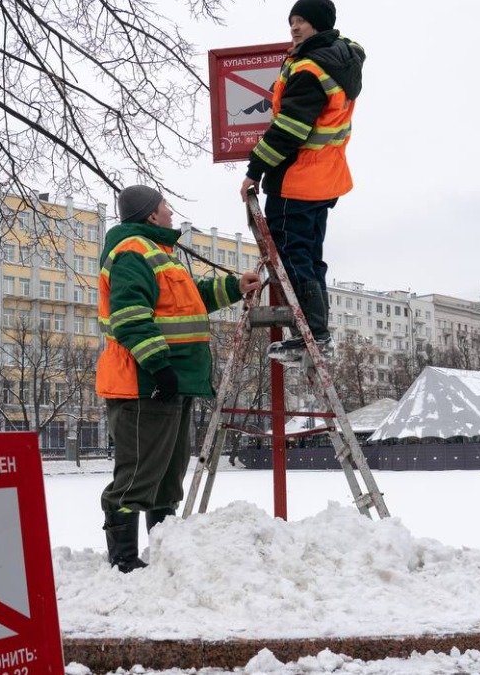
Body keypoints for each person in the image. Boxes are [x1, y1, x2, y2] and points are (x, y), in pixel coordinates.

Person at [96, 185, 261, 573]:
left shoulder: (162, 255)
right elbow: (130, 318)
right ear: (152, 215)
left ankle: (162, 555)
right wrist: (159, 366)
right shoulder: (133, 252)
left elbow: (192, 299)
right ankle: (122, 560)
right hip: (144, 384)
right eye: (165, 206)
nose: (171, 213)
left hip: (171, 383)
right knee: (137, 476)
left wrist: (234, 287)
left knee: (166, 480)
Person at [240, 0, 364, 362]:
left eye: (303, 21)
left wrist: (254, 170)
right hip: (324, 179)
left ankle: (311, 336)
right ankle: (317, 335)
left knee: (294, 256)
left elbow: (289, 129)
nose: (295, 28)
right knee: (310, 256)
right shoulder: (338, 61)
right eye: (292, 21)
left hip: (297, 180)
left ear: (320, 25)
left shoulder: (310, 67)